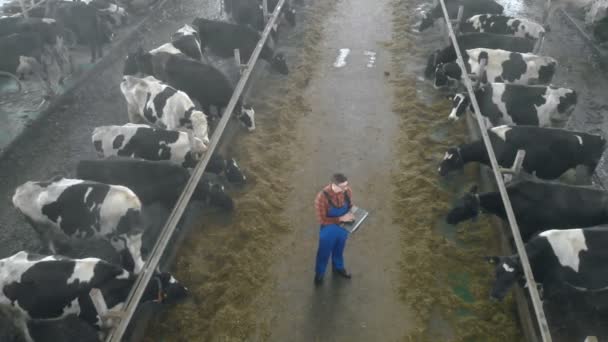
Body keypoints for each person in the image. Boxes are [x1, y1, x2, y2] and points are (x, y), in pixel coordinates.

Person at [313, 173, 355, 286]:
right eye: (343, 186)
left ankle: (338, 267)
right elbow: (322, 220)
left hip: (343, 228)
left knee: (339, 249)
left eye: (347, 185)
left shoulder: (347, 191)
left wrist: (352, 212)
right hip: (328, 229)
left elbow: (350, 205)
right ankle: (319, 274)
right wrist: (342, 218)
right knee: (323, 253)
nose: (346, 188)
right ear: (334, 185)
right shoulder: (321, 197)